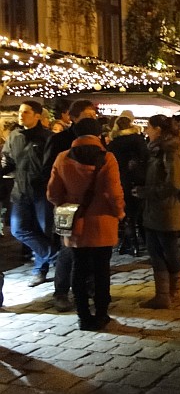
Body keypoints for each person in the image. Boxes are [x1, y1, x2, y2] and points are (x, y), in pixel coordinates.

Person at [47, 118, 125, 330]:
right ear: (99, 134)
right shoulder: (107, 158)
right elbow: (113, 192)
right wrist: (120, 213)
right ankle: (101, 314)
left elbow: (53, 193)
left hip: (76, 223)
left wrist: (68, 204)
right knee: (101, 269)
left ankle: (83, 315)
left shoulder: (63, 158)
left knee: (78, 268)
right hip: (103, 221)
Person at [42, 99, 98, 310]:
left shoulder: (97, 141)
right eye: (88, 116)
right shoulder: (61, 140)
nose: (92, 119)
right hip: (69, 205)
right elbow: (47, 172)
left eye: (93, 116)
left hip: (92, 205)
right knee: (68, 250)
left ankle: (89, 287)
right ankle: (62, 291)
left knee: (92, 248)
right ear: (74, 117)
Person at [132, 115, 180, 309]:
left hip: (167, 210)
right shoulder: (156, 151)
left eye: (148, 127)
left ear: (158, 129)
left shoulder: (170, 150)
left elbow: (174, 183)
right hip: (155, 210)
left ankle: (174, 293)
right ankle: (163, 295)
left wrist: (146, 192)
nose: (146, 131)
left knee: (169, 251)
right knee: (155, 252)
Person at [0, 101, 56, 288]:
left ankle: (40, 269)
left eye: (26, 112)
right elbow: (7, 161)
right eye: (20, 112)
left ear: (37, 115)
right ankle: (56, 255)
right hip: (20, 191)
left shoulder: (48, 138)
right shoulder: (14, 136)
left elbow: (50, 167)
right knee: (18, 229)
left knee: (43, 230)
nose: (21, 115)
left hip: (42, 193)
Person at [107, 112, 149, 257]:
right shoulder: (137, 139)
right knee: (138, 213)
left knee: (127, 214)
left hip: (120, 179)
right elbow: (145, 157)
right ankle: (137, 243)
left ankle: (132, 244)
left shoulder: (114, 143)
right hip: (137, 180)